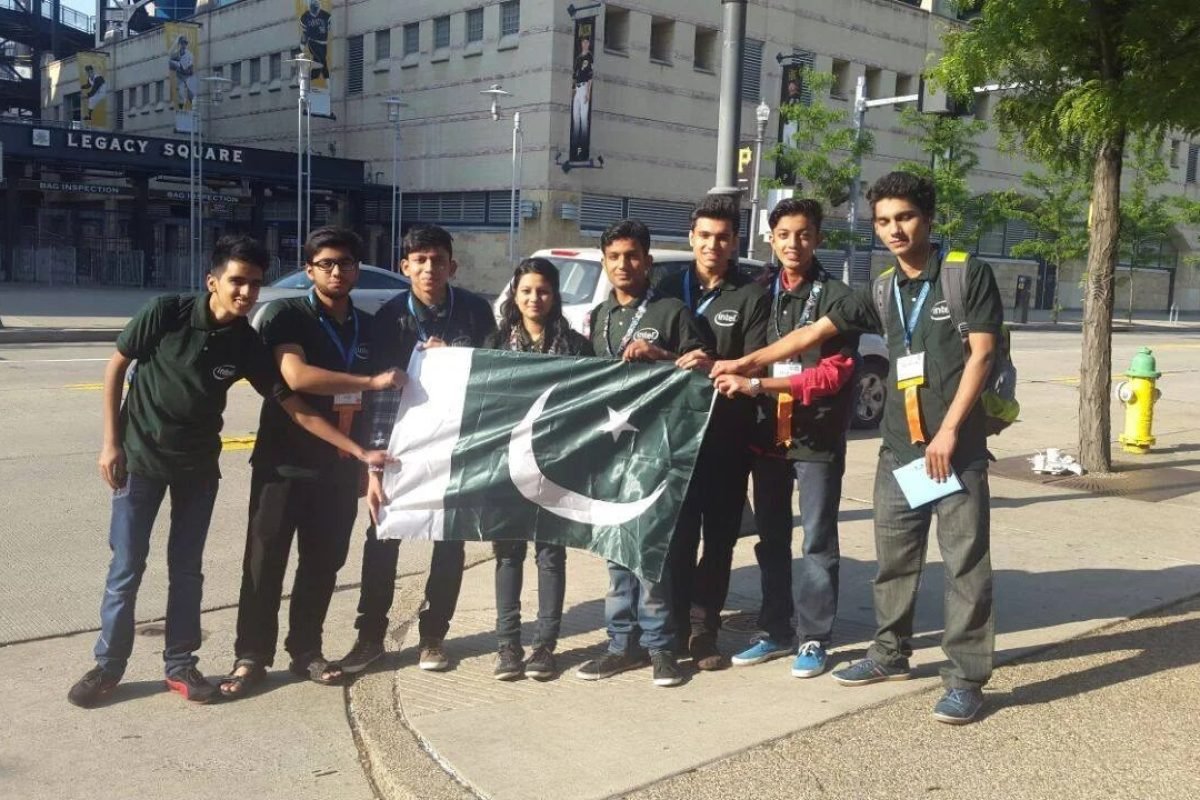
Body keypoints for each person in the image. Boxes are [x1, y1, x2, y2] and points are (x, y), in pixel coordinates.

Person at [713, 172, 1004, 724]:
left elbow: (982, 357)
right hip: (899, 451)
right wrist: (747, 364)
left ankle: (966, 677)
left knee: (965, 565)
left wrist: (948, 434)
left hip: (954, 450)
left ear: (928, 218)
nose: (895, 230)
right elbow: (811, 334)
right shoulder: (880, 287)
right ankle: (889, 654)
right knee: (895, 564)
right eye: (884, 221)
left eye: (905, 218)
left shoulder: (966, 274)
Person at [67, 235, 390, 708]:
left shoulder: (246, 341)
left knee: (187, 570)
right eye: (237, 282)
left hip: (198, 470)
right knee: (126, 567)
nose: (246, 293)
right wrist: (110, 443)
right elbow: (117, 367)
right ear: (212, 280)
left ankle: (180, 665)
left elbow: (293, 405)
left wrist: (358, 452)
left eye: (255, 284)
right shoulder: (166, 312)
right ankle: (108, 666)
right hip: (141, 462)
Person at [219, 228, 405, 699]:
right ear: (310, 270)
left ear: (357, 269)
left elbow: (397, 386)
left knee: (322, 566)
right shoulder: (287, 314)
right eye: (325, 264)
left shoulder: (366, 325)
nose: (336, 271)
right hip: (283, 466)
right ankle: (251, 657)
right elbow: (295, 376)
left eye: (345, 263)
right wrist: (370, 381)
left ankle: (306, 651)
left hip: (340, 467)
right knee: (264, 565)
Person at [336, 224, 497, 675]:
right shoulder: (387, 318)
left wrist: (452, 360)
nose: (430, 268)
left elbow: (493, 375)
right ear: (404, 266)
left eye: (438, 260)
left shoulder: (474, 312)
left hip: (456, 451)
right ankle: (370, 638)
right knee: (383, 538)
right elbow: (374, 397)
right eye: (420, 260)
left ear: (453, 265)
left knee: (449, 542)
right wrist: (372, 464)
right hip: (398, 451)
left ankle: (433, 637)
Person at [716, 198, 859, 679]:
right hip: (765, 438)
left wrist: (758, 383)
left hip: (815, 436)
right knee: (772, 537)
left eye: (803, 234)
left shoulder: (839, 297)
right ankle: (774, 628)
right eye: (784, 235)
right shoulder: (757, 292)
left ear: (817, 238)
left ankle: (814, 637)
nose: (793, 244)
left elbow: (831, 376)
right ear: (770, 240)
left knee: (817, 540)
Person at [574, 218, 708, 688]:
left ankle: (660, 646)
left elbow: (703, 373)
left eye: (632, 256)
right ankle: (620, 644)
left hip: (659, 447)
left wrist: (662, 357)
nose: (623, 265)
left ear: (648, 261)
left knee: (652, 549)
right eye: (614, 257)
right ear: (605, 263)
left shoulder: (673, 312)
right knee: (615, 549)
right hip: (614, 449)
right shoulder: (599, 317)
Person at [655, 194, 769, 671]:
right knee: (677, 540)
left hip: (726, 435)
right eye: (704, 235)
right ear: (691, 238)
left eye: (723, 237)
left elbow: (758, 358)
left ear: (735, 241)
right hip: (673, 439)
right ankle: (674, 628)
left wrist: (713, 365)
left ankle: (705, 631)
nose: (713, 245)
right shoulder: (665, 287)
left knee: (719, 539)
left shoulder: (753, 293)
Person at [485, 258, 593, 681]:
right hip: (505, 466)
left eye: (543, 291)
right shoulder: (493, 342)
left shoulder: (577, 347)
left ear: (555, 295)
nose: (535, 298)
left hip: (556, 466)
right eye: (527, 290)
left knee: (551, 555)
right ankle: (507, 645)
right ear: (514, 293)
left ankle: (545, 646)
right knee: (507, 554)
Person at [570, 33, 594, 160]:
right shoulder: (579, 58)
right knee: (576, 118)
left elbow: (590, 77)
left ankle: (583, 146)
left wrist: (588, 93)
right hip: (577, 88)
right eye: (583, 42)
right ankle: (574, 145)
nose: (584, 44)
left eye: (586, 42)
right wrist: (573, 89)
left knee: (584, 119)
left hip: (584, 87)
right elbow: (574, 75)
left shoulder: (589, 57)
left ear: (588, 44)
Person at [300, 0, 332, 83]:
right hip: (312, 42)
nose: (315, 11)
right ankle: (327, 77)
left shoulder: (325, 15)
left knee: (318, 60)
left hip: (323, 42)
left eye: (316, 8)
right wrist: (303, 43)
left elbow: (330, 27)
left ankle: (312, 77)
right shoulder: (305, 17)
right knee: (321, 59)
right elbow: (305, 32)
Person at [168, 35, 195, 110]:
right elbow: (170, 62)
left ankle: (192, 106)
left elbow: (191, 68)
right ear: (179, 44)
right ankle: (180, 108)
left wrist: (187, 70)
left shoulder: (189, 54)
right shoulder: (176, 54)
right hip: (179, 76)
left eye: (185, 43)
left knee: (190, 92)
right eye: (182, 43)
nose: (184, 45)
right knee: (180, 92)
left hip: (187, 75)